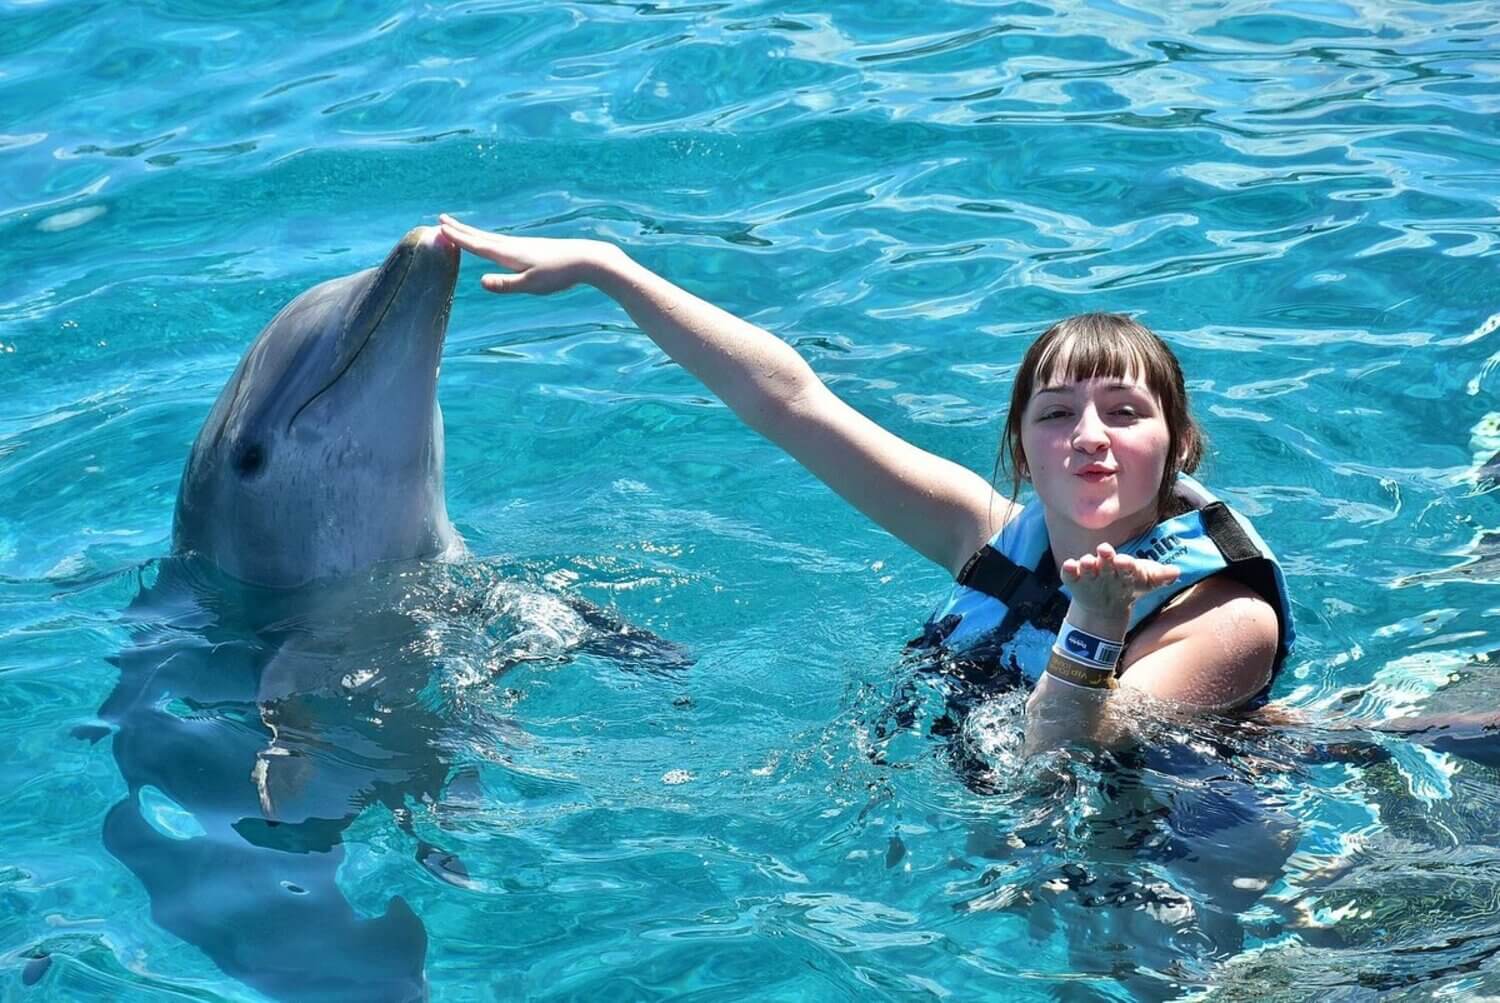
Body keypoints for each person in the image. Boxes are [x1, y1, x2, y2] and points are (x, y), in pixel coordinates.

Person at [435, 214, 1294, 756]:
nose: (1091, 437)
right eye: (1057, 413)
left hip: (1189, 865)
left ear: (1179, 445)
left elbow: (1061, 763)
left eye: (1125, 411)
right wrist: (608, 269)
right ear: (1022, 456)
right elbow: (793, 403)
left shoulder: (1221, 618)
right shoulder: (986, 535)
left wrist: (1098, 624)